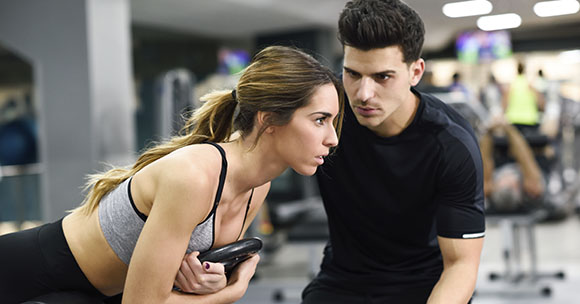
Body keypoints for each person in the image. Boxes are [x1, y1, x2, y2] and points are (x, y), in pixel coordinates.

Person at [0, 45, 344, 304]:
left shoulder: (258, 186)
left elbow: (189, 277)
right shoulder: (194, 177)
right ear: (268, 120)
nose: (333, 138)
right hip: (32, 270)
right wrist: (229, 293)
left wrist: (211, 282)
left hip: (94, 295)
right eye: (319, 120)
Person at [302, 1, 485, 303]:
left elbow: (461, 264)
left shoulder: (452, 144)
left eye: (382, 77)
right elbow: (258, 169)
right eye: (353, 74)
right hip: (342, 280)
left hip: (425, 282)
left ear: (416, 72)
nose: (363, 94)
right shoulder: (326, 115)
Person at [480, 118, 545, 213]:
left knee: (484, 185)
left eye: (503, 182)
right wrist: (509, 128)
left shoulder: (488, 188)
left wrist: (488, 132)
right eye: (510, 182)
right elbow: (524, 156)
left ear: (496, 187)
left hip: (502, 170)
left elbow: (484, 160)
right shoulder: (531, 187)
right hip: (534, 175)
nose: (507, 179)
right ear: (516, 187)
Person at [503, 62, 545, 135]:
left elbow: (504, 104)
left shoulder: (511, 85)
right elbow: (541, 104)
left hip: (514, 120)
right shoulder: (530, 85)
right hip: (530, 120)